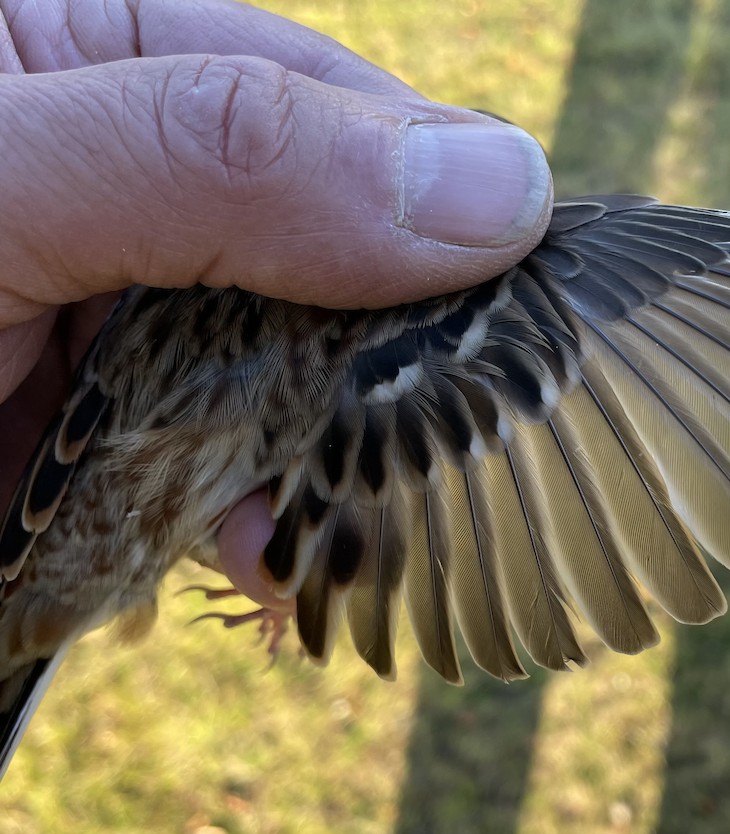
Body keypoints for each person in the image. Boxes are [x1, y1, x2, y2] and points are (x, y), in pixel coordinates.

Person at [0, 0, 554, 613]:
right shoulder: (361, 313)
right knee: (267, 548)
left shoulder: (196, 275)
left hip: (56, 503)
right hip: (88, 509)